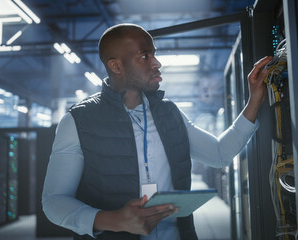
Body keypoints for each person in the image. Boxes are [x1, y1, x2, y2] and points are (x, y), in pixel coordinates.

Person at [42, 23, 272, 240]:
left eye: (153, 54)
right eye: (145, 56)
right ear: (116, 66)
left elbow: (219, 154)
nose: (156, 63)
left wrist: (254, 101)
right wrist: (113, 220)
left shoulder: (169, 113)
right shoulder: (79, 120)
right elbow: (54, 201)